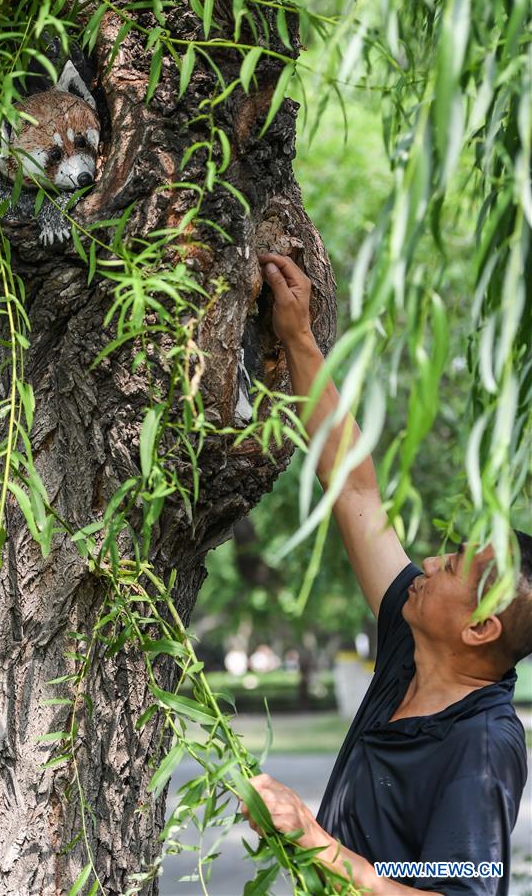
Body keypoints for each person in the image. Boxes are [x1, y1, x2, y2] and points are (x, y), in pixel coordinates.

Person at [238, 252, 531, 895]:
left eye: (450, 567)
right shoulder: (413, 644)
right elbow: (356, 493)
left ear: (480, 628)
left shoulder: (481, 746)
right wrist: (298, 339)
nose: (428, 562)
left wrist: (311, 841)